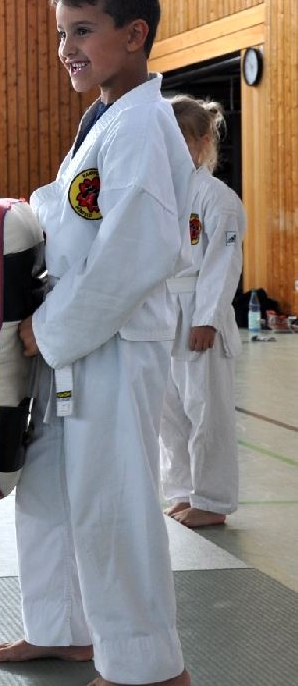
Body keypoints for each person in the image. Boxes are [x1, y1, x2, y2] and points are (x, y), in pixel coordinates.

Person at [0, 0, 194, 686]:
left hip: (111, 345)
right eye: (60, 33)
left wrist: (48, 330)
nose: (65, 48)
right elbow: (80, 230)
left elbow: (137, 250)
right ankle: (63, 628)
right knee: (47, 488)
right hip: (73, 343)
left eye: (82, 31)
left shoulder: (141, 124)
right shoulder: (104, 119)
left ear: (133, 35)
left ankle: (147, 664)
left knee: (112, 501)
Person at [160, 96, 246, 529]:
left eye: (181, 139)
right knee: (169, 411)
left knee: (206, 411)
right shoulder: (162, 195)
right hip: (163, 312)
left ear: (203, 140)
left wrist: (207, 318)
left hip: (199, 311)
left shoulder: (218, 198)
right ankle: (182, 490)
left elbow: (223, 262)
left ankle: (212, 500)